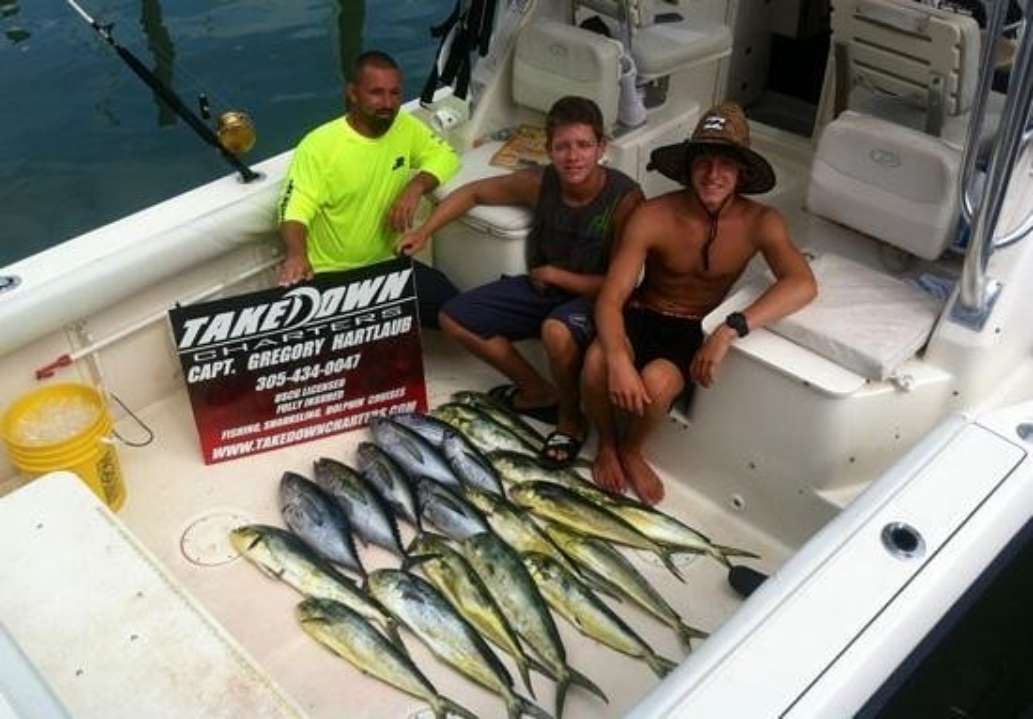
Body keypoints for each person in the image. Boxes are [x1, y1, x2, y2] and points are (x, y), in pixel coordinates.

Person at [585, 102, 817, 504]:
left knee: (658, 383)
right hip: (644, 311)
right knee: (596, 363)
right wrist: (619, 360)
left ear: (741, 173)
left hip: (694, 325)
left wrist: (730, 329)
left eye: (725, 164)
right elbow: (611, 297)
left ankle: (632, 449)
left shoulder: (761, 222)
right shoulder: (653, 215)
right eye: (704, 162)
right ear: (688, 168)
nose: (713, 174)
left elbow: (802, 283)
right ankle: (606, 442)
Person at [398, 96, 644, 466]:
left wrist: (557, 275)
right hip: (541, 289)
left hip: (595, 298)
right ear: (549, 150)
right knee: (454, 316)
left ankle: (570, 419)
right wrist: (425, 231)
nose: (573, 156)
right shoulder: (539, 181)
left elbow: (623, 285)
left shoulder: (625, 199)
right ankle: (537, 391)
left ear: (601, 148)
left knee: (556, 331)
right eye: (562, 147)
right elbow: (472, 192)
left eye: (583, 145)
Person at [277, 50, 461, 326]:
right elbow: (294, 210)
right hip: (332, 276)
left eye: (395, 93)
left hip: (388, 263)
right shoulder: (319, 146)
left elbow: (446, 156)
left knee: (458, 311)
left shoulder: (404, 126)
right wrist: (297, 255)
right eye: (376, 93)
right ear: (353, 93)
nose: (388, 103)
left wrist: (415, 186)